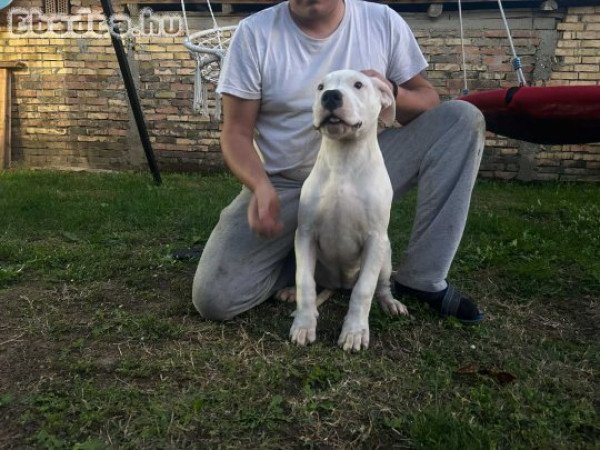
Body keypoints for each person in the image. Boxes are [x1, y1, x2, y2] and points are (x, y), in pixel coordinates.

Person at [192, 0, 486, 324]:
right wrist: (259, 186)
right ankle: (301, 261)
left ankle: (422, 278)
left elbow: (427, 97)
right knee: (214, 298)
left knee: (461, 119)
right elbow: (235, 131)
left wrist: (392, 91)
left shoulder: (382, 20)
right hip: (285, 182)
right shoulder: (255, 33)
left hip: (369, 162)